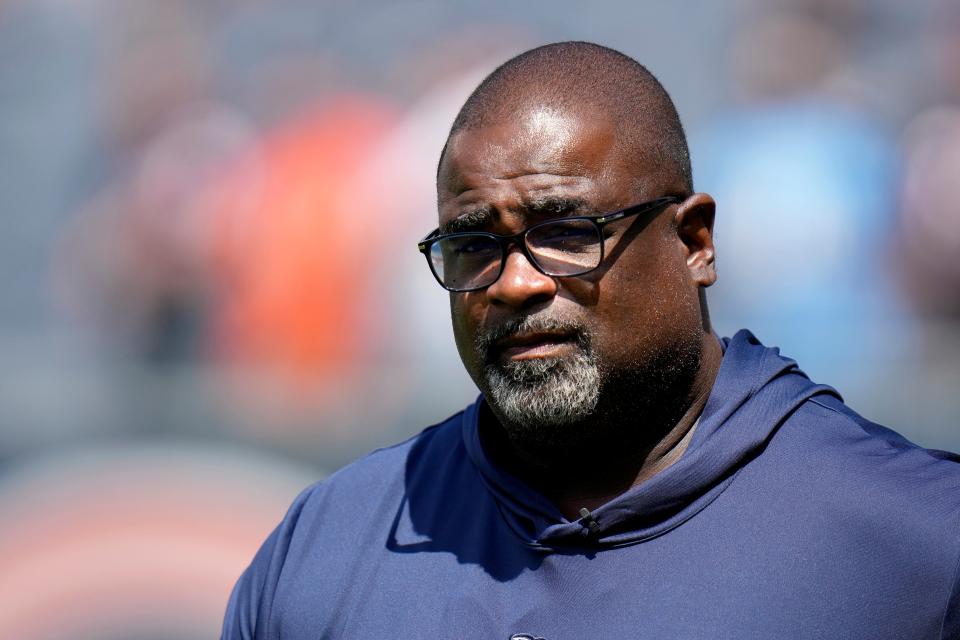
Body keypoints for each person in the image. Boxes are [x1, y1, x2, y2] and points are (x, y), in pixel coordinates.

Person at [222, 42, 960, 639]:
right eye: (473, 244)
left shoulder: (913, 543)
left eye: (566, 233)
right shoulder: (328, 547)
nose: (514, 283)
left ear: (694, 242)